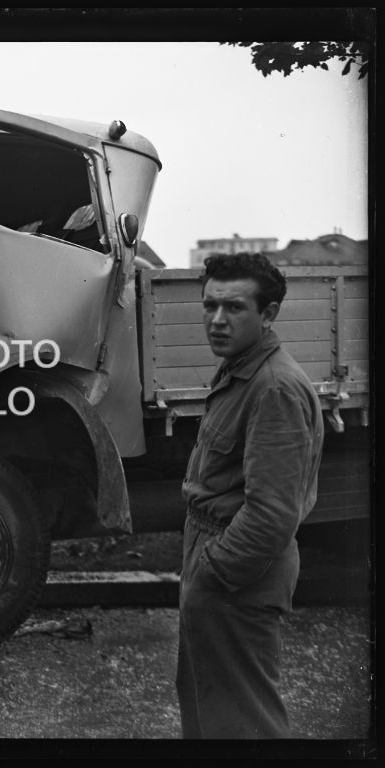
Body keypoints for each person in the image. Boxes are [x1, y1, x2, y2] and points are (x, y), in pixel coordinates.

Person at [177, 252, 324, 739]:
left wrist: (214, 573)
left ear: (269, 314)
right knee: (208, 710)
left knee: (243, 723)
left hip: (238, 573)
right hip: (216, 556)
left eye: (234, 308)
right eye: (210, 305)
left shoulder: (274, 387)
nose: (217, 320)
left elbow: (272, 514)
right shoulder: (240, 367)